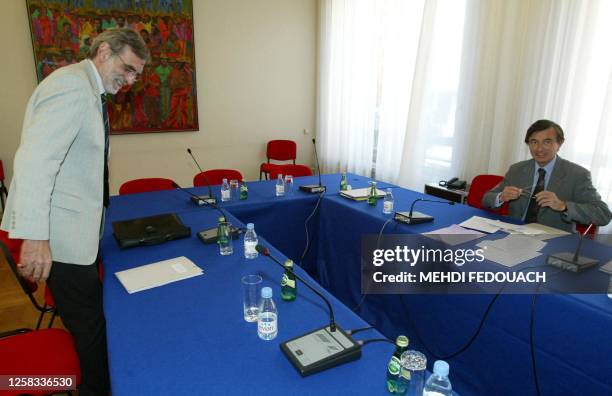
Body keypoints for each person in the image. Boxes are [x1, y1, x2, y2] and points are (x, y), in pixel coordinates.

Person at [0, 28, 149, 395]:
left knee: (93, 325)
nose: (130, 81)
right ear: (104, 51)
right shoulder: (70, 86)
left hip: (77, 237)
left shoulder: (89, 90)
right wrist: (35, 237)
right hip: (60, 243)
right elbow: (36, 162)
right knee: (91, 332)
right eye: (128, 69)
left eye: (136, 75)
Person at [482, 119, 611, 232]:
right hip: (514, 235)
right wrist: (501, 196)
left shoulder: (578, 175)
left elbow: (603, 214)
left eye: (547, 142)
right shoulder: (517, 169)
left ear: (559, 144)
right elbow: (486, 199)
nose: (539, 149)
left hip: (554, 242)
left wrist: (563, 206)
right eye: (534, 142)